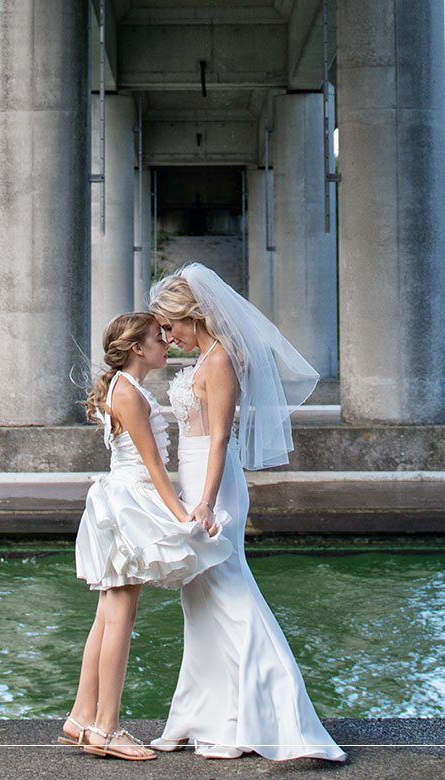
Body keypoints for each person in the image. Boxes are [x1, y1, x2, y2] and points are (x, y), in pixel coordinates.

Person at [147, 263, 346, 762]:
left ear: (193, 317)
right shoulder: (208, 356)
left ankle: (275, 719)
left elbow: (218, 438)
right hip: (198, 481)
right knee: (198, 604)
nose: (167, 339)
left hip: (215, 487)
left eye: (170, 328)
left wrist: (206, 502)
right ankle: (207, 718)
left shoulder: (219, 361)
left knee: (232, 598)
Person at [63, 312, 232, 761]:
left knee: (107, 615)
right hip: (129, 504)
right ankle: (108, 728)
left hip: (123, 500)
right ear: (138, 348)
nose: (166, 344)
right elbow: (155, 468)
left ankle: (82, 717)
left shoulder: (126, 387)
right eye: (159, 339)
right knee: (120, 616)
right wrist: (184, 517)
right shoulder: (129, 393)